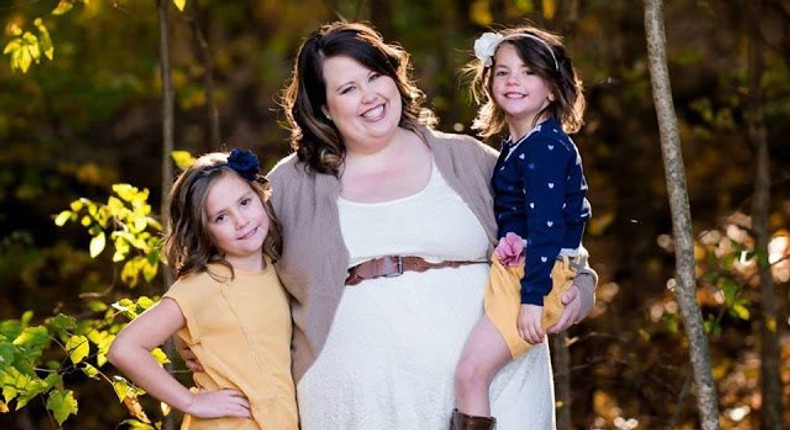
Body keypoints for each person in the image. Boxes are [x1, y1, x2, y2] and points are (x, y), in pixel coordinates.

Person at [179, 21, 597, 430]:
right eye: (347, 89)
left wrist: (581, 287)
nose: (369, 97)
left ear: (395, 79)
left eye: (374, 77)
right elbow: (231, 269)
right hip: (354, 403)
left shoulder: (469, 160)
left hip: (501, 397)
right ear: (324, 107)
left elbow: (553, 228)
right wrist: (198, 333)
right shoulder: (291, 186)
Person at [451, 26, 592, 428]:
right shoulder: (519, 144)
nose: (514, 79)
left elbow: (547, 228)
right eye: (503, 71)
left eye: (529, 71)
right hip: (520, 271)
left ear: (552, 89)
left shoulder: (545, 147)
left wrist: (533, 297)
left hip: (536, 277)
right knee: (470, 373)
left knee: (470, 374)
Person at [108, 149, 298, 429]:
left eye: (245, 202)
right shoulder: (203, 285)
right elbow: (125, 348)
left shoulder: (276, 267)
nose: (241, 221)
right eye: (221, 217)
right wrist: (190, 401)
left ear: (260, 195)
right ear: (203, 229)